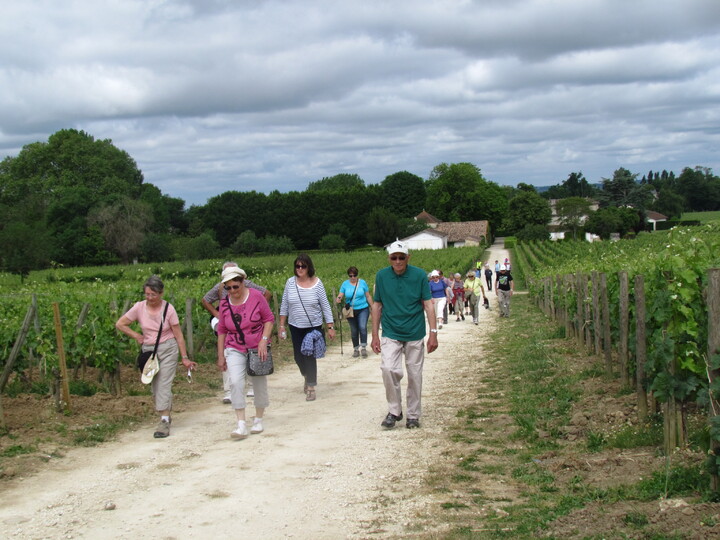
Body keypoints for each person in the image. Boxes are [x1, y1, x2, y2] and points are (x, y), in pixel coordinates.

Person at [116, 275, 197, 439]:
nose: (150, 298)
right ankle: (165, 410)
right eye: (147, 294)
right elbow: (120, 324)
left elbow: (178, 335)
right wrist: (137, 336)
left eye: (153, 294)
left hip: (168, 349)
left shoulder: (169, 309)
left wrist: (184, 357)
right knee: (154, 385)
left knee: (163, 384)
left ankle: (164, 421)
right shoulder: (139, 307)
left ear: (161, 293)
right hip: (149, 351)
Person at [371, 240, 438, 429]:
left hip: (414, 331)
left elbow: (428, 304)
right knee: (388, 369)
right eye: (394, 257)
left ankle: (413, 415)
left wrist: (433, 333)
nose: (398, 261)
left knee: (415, 374)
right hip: (391, 330)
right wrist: (375, 335)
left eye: (402, 257)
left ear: (408, 258)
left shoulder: (418, 276)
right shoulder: (382, 276)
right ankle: (395, 411)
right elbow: (377, 305)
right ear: (389, 259)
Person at [216, 266, 274, 439]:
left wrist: (264, 340)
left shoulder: (256, 296)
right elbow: (222, 330)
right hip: (234, 346)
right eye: (228, 288)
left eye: (236, 286)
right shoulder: (224, 303)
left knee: (258, 382)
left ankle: (258, 417)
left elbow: (269, 319)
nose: (232, 291)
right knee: (235, 382)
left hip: (257, 346)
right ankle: (241, 422)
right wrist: (221, 355)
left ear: (243, 282)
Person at [201, 261, 272, 404]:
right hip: (229, 327)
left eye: (235, 284)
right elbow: (206, 300)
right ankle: (229, 390)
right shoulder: (220, 287)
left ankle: (252, 386)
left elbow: (266, 294)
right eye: (228, 285)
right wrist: (217, 314)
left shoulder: (249, 285)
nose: (231, 288)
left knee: (252, 357)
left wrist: (255, 311)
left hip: (250, 330)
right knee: (230, 356)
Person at [279, 253, 336, 401]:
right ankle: (306, 375)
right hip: (295, 326)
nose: (300, 269)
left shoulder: (318, 284)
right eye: (297, 266)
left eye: (303, 266)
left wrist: (330, 326)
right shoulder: (290, 283)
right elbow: (284, 305)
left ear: (309, 267)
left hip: (313, 326)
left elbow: (325, 306)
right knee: (298, 357)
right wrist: (281, 325)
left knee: (309, 355)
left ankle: (311, 386)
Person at [336, 266, 373, 358]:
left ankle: (363, 347)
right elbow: (340, 294)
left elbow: (368, 296)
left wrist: (373, 307)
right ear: (348, 275)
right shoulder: (345, 284)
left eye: (354, 275)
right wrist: (339, 298)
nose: (352, 277)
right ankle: (356, 349)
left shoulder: (362, 283)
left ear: (357, 275)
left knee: (362, 327)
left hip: (363, 308)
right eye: (350, 275)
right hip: (350, 311)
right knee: (354, 330)